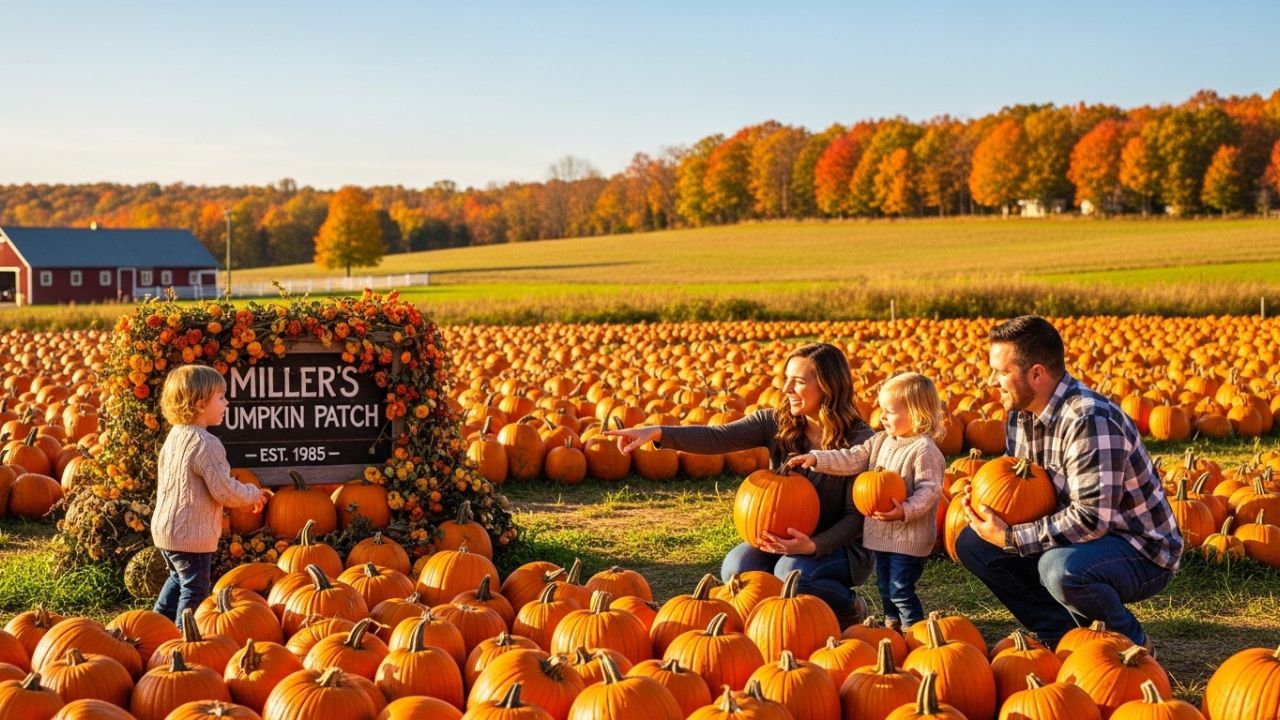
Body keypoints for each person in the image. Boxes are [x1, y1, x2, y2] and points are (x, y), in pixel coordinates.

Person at [604, 342, 875, 625]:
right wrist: (657, 433)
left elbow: (857, 517)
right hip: (781, 539)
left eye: (798, 382)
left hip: (840, 547)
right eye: (786, 380)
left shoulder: (860, 442)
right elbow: (718, 437)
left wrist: (812, 546)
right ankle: (775, 622)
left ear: (828, 387)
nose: (786, 390)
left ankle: (849, 606)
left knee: (792, 574)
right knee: (737, 568)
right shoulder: (777, 423)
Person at [958, 315, 1181, 651]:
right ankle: (1062, 636)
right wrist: (984, 501)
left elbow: (1091, 519)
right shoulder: (1020, 413)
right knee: (973, 544)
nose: (992, 381)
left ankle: (1128, 644)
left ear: (1036, 374)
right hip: (1075, 536)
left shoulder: (1088, 419)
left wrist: (1010, 536)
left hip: (1138, 547)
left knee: (1059, 569)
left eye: (1002, 372)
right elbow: (1022, 489)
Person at [788, 371, 945, 633]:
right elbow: (852, 458)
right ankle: (892, 628)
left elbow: (930, 491)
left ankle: (913, 633)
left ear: (917, 414)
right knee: (885, 586)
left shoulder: (924, 450)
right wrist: (817, 459)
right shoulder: (881, 441)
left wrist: (904, 511)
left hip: (908, 539)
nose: (881, 416)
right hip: (881, 535)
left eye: (889, 411)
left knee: (900, 589)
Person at [152, 364, 272, 621]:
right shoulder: (206, 444)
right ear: (199, 404)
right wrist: (253, 494)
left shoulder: (175, 437)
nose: (226, 403)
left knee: (178, 579)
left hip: (166, 529)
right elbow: (224, 490)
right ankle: (186, 636)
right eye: (221, 397)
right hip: (190, 533)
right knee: (195, 589)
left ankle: (156, 625)